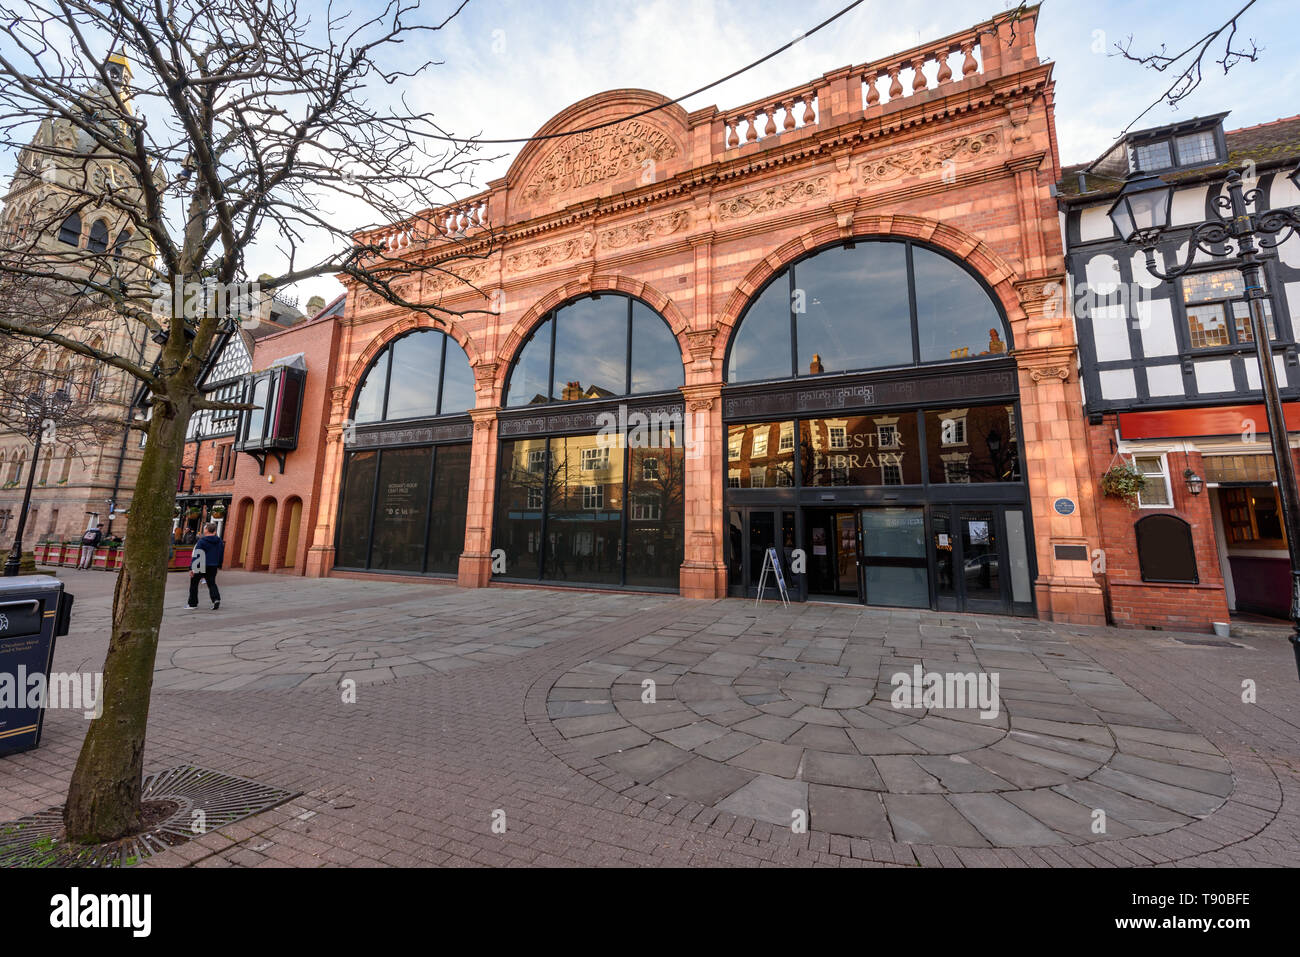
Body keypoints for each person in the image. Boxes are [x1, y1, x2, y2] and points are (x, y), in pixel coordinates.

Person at [187, 523, 224, 610]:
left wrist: (191, 568)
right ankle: (216, 599)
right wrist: (219, 564)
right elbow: (221, 554)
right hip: (213, 565)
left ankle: (192, 604)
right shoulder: (219, 541)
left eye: (205, 528)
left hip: (200, 565)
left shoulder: (202, 541)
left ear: (206, 530)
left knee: (194, 584)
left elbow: (197, 554)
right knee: (211, 583)